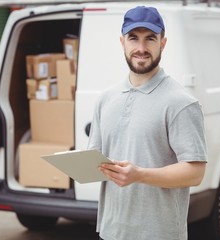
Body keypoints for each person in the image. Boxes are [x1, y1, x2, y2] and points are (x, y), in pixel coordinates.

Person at [88, 6, 207, 240]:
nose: (141, 48)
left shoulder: (181, 102)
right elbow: (96, 161)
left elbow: (195, 173)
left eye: (150, 39)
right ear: (122, 42)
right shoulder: (106, 99)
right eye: (134, 38)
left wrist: (139, 174)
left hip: (159, 234)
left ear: (162, 43)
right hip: (111, 231)